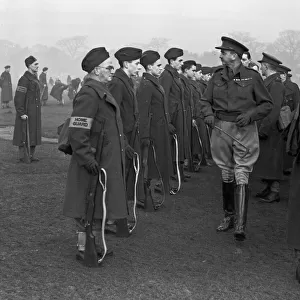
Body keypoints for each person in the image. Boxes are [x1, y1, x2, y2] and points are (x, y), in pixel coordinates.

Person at [200, 37, 273, 241]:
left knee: (242, 173)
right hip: (221, 128)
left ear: (234, 55)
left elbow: (267, 104)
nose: (220, 54)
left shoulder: (252, 77)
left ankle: (240, 225)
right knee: (226, 172)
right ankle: (228, 216)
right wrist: (207, 114)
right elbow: (205, 100)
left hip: (244, 129)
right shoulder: (216, 76)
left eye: (223, 52)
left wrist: (251, 115)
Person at [63, 47, 128, 260]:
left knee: (99, 205)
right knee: (85, 207)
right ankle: (84, 248)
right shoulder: (88, 94)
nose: (112, 70)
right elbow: (78, 131)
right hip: (91, 162)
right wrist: (86, 157)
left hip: (104, 159)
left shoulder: (102, 90)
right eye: (108, 67)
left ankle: (96, 244)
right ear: (96, 70)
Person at [108, 47, 145, 219]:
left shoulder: (126, 80)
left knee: (127, 175)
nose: (139, 67)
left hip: (129, 135)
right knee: (118, 177)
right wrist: (123, 142)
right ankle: (112, 217)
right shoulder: (117, 82)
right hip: (121, 138)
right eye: (137, 64)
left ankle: (120, 213)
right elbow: (113, 115)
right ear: (126, 63)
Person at [137, 50, 172, 203]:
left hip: (160, 128)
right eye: (158, 65)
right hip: (152, 131)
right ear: (149, 67)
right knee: (150, 162)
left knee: (158, 161)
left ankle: (152, 191)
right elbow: (143, 113)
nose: (161, 68)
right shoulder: (146, 85)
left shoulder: (153, 82)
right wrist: (145, 135)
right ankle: (145, 195)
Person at [255, 53, 285, 203]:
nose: (261, 68)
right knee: (266, 161)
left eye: (262, 65)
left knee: (272, 161)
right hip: (267, 128)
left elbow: (274, 110)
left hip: (271, 130)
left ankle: (275, 191)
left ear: (266, 66)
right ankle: (268, 188)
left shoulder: (276, 84)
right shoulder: (271, 82)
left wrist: (264, 129)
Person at [159, 48, 186, 181]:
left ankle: (178, 172)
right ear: (171, 61)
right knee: (170, 146)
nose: (182, 63)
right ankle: (169, 174)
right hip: (172, 116)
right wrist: (167, 121)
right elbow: (163, 98)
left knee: (178, 144)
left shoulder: (174, 75)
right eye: (179, 60)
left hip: (178, 114)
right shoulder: (166, 75)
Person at [12, 56, 42, 162]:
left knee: (34, 132)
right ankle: (23, 156)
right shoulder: (24, 79)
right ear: (29, 66)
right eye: (35, 64)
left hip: (35, 111)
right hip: (27, 111)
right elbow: (18, 98)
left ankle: (31, 155)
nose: (38, 66)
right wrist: (21, 112)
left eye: (37, 64)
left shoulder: (34, 78)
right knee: (24, 133)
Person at [277, 64, 300, 175]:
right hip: (277, 121)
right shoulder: (275, 86)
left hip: (289, 121)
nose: (281, 76)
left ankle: (287, 167)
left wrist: (291, 119)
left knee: (288, 143)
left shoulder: (293, 87)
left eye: (283, 74)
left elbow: (297, 106)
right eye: (279, 74)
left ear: (286, 75)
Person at [180, 60, 197, 173]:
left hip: (188, 114)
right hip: (183, 114)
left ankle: (186, 165)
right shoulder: (181, 81)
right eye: (193, 70)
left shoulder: (186, 81)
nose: (194, 73)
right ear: (186, 70)